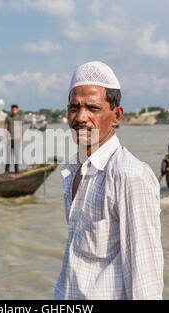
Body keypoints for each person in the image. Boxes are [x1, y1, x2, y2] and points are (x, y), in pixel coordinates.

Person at [55, 61, 163, 300]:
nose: (80, 117)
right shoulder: (73, 170)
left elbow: (146, 277)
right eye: (74, 107)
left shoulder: (129, 175)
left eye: (93, 108)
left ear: (116, 115)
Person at [4, 104, 23, 173]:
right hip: (9, 139)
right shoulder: (8, 118)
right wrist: (5, 137)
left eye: (15, 110)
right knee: (8, 155)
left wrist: (21, 139)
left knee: (16, 155)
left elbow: (21, 128)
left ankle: (16, 169)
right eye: (12, 110)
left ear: (17, 110)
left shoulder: (19, 118)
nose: (14, 111)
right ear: (11, 110)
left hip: (17, 139)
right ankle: (7, 170)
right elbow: (5, 128)